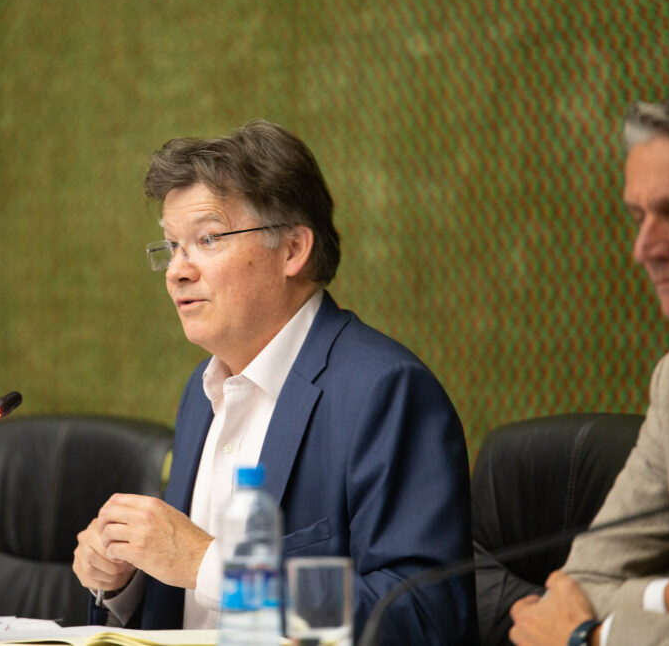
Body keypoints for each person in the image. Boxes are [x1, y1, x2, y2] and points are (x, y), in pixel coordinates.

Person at [72, 119, 476, 641]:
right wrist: (125, 579)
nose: (177, 270)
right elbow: (196, 605)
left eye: (207, 239)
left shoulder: (383, 391)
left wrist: (216, 566)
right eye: (172, 246)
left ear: (292, 250)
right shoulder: (202, 392)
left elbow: (425, 615)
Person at [510, 81, 669, 645]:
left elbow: (575, 618)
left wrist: (592, 640)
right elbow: (580, 582)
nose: (645, 248)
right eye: (638, 216)